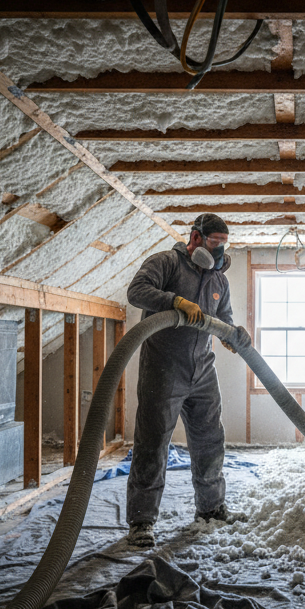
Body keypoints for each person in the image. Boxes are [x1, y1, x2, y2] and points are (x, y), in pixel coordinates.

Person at [123, 213, 251, 547]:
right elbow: (136, 291)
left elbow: (223, 320)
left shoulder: (218, 281)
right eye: (214, 243)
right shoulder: (166, 263)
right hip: (164, 368)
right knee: (153, 443)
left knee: (210, 440)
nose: (219, 252)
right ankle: (141, 522)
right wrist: (173, 301)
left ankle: (211, 509)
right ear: (195, 238)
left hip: (203, 369)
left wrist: (233, 336)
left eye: (224, 245)